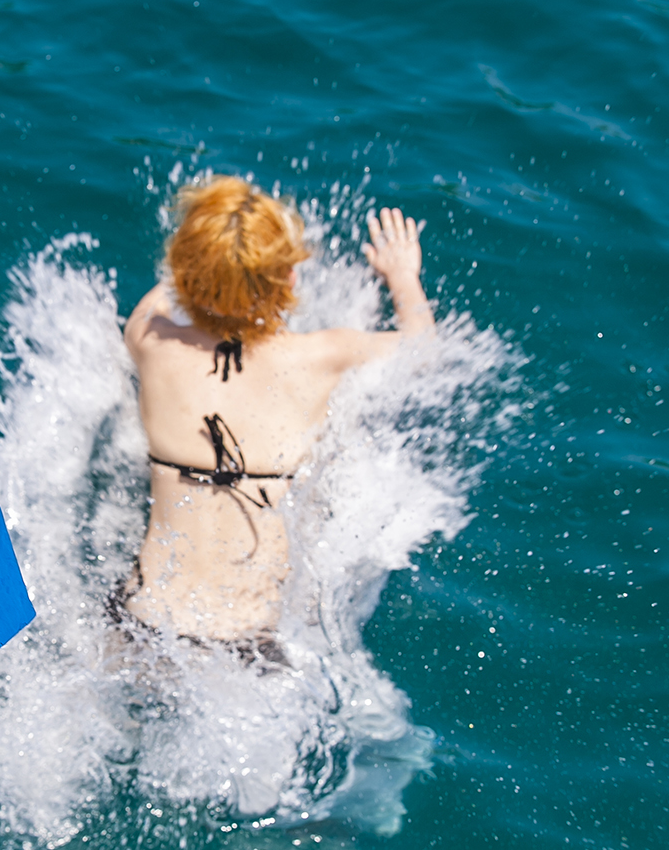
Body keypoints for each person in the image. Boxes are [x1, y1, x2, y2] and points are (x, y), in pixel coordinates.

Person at [115, 175, 434, 660]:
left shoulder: (150, 341)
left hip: (140, 619)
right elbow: (423, 350)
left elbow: (162, 297)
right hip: (249, 646)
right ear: (289, 278)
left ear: (184, 268)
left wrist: (205, 261)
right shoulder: (326, 356)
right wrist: (402, 276)